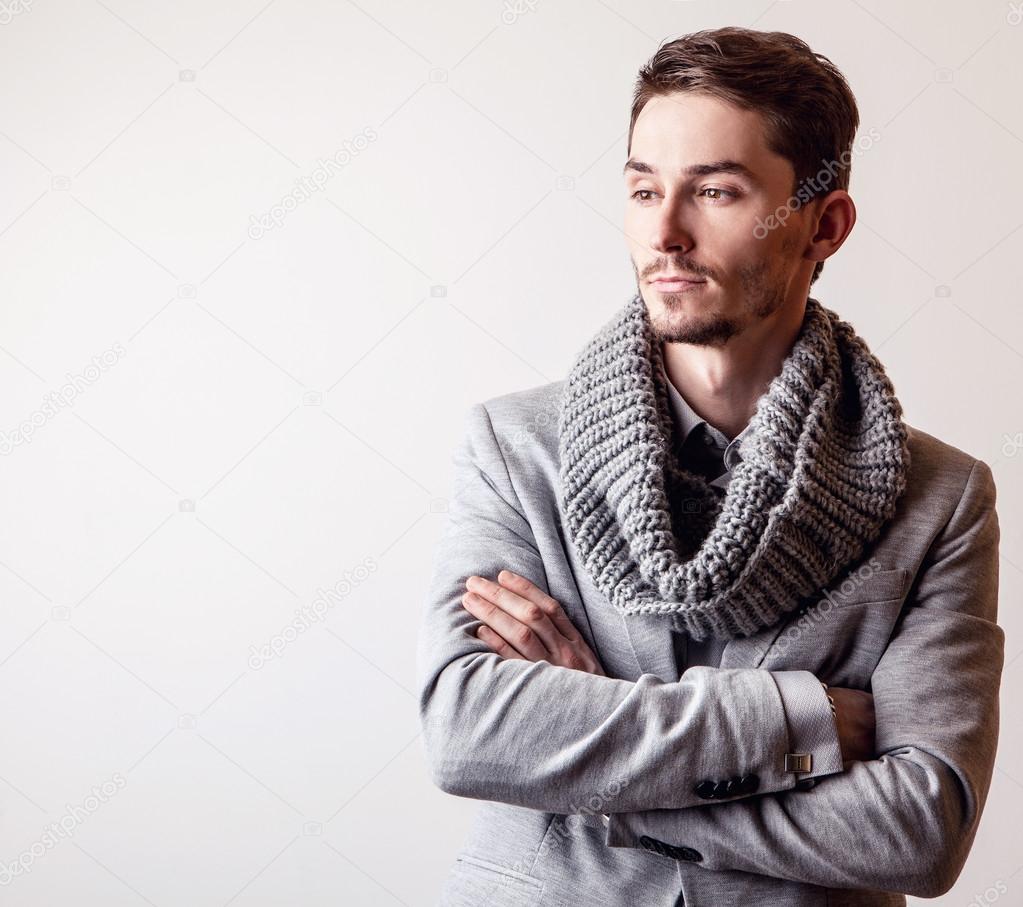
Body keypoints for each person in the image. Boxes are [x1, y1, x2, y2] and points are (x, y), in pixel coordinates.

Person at [416, 26, 1002, 906]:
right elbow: (467, 730)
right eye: (643, 188)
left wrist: (600, 775)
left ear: (824, 225)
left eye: (716, 191)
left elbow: (919, 832)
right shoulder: (516, 446)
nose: (664, 232)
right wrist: (790, 720)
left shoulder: (939, 498)